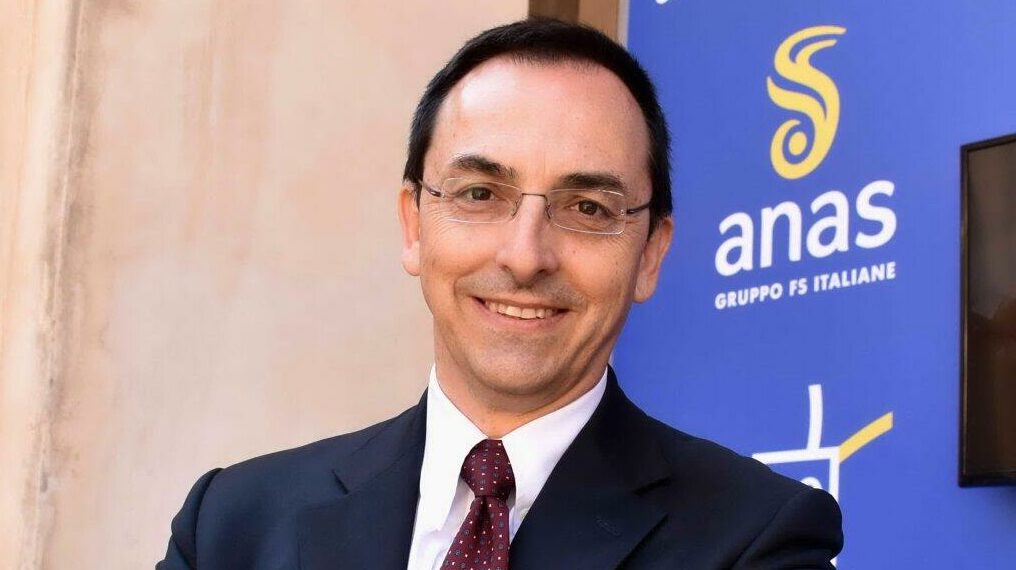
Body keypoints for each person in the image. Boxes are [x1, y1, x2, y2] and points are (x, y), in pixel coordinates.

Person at [157, 19, 842, 569]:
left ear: (650, 255)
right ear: (413, 225)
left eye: (588, 208)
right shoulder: (231, 526)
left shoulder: (754, 538)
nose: (524, 256)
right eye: (480, 194)